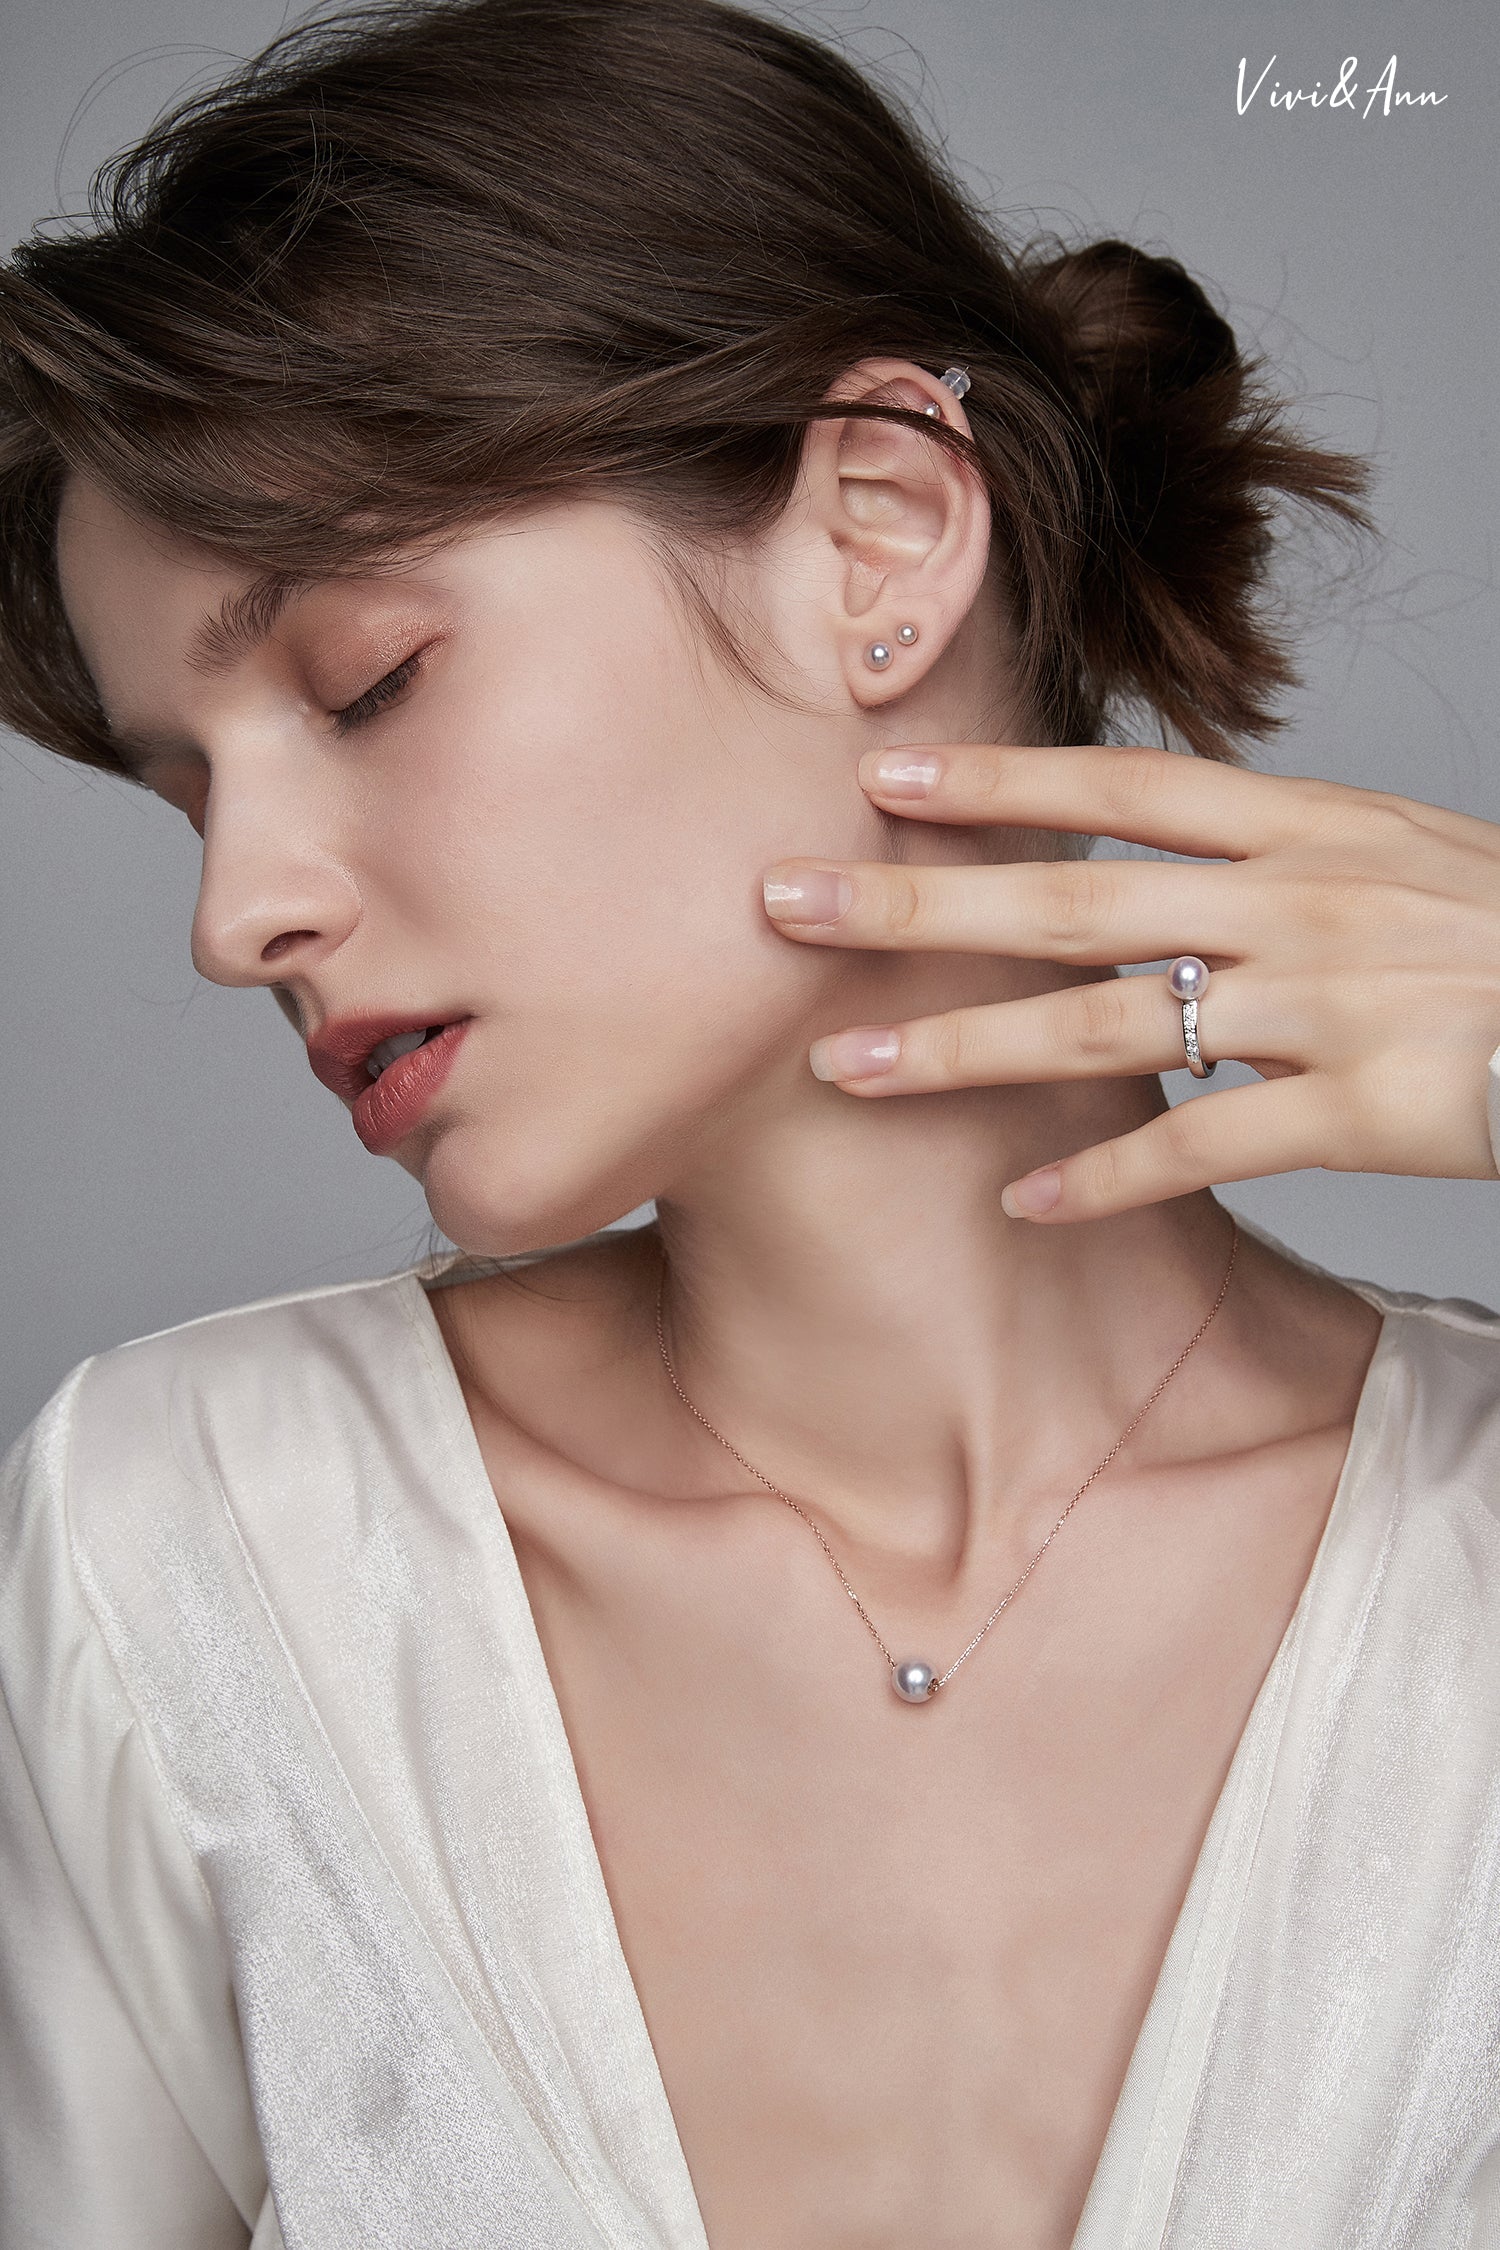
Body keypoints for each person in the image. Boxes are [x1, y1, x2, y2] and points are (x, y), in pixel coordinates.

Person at [2, 2, 1500, 2245]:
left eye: (361, 684)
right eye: (188, 784)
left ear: (880, 540)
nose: (240, 915)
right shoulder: (189, 1547)